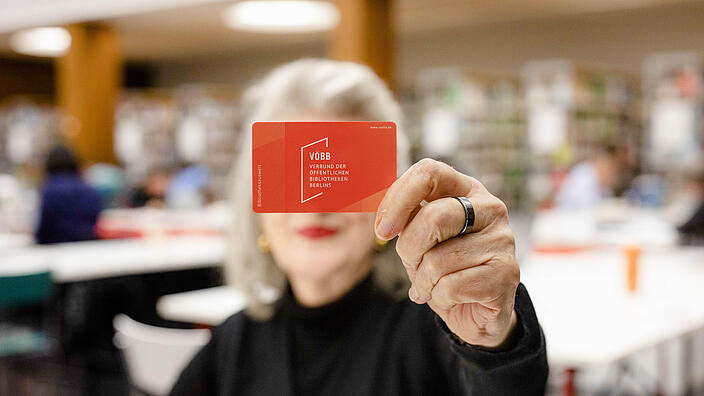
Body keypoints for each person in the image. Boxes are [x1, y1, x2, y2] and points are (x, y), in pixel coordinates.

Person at [170, 59, 547, 396]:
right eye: (289, 178)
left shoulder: (440, 326)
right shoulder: (236, 341)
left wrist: (493, 341)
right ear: (256, 207)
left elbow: (502, 383)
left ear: (394, 198)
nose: (314, 205)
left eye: (339, 176)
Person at [35, 144, 103, 244]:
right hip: (87, 246)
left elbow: (44, 228)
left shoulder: (50, 190)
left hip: (57, 247)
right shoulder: (89, 188)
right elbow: (96, 220)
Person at [555, 147, 621, 209]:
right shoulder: (584, 175)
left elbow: (607, 201)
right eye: (609, 170)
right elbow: (585, 206)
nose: (611, 175)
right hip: (568, 215)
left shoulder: (601, 181)